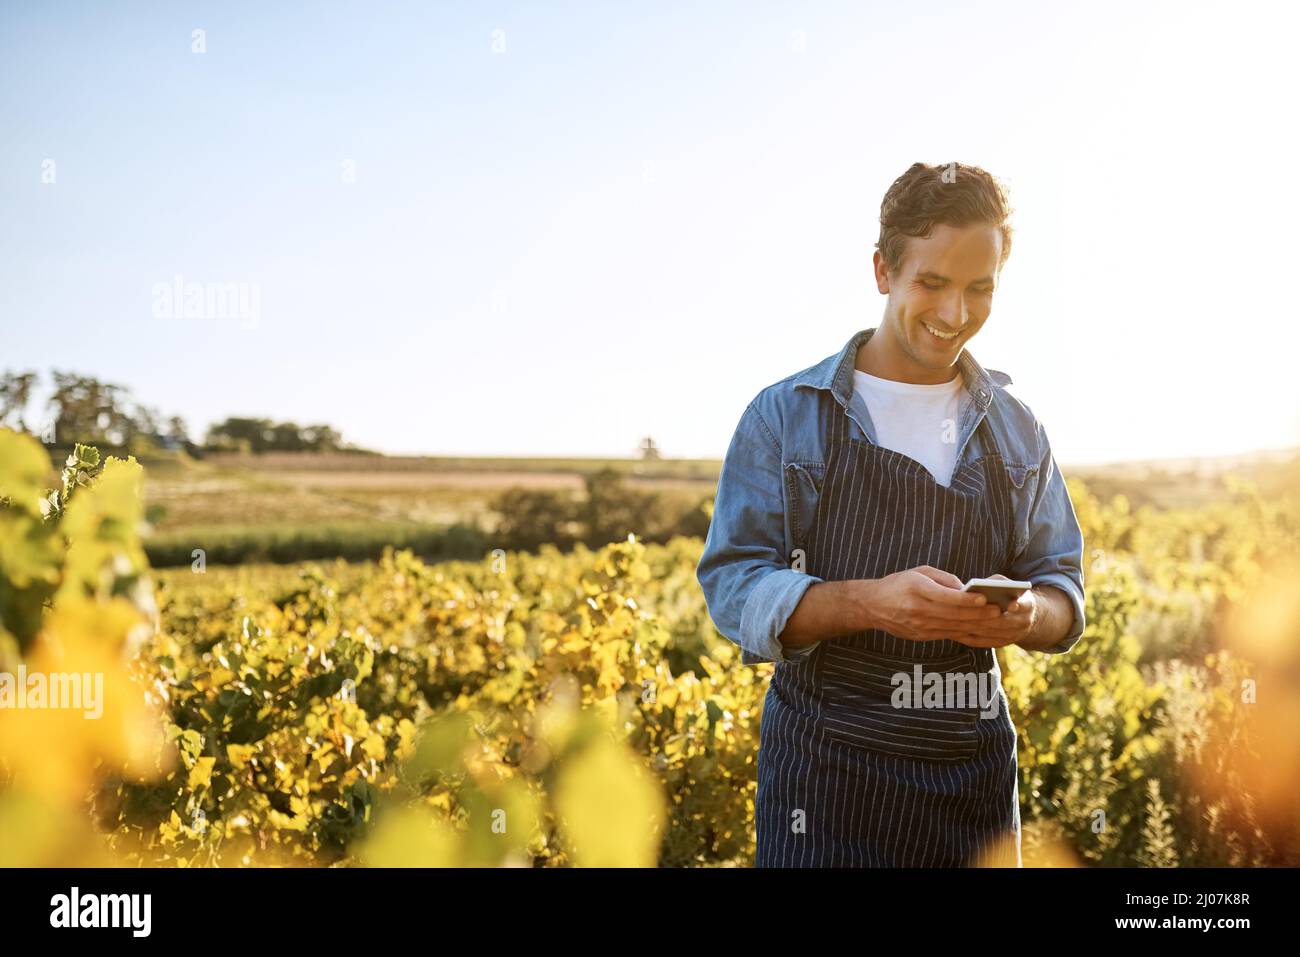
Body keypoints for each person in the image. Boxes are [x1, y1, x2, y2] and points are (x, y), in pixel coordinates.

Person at [695, 161, 1086, 867]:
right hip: (824, 781)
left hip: (970, 781)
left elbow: (1062, 585)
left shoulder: (1017, 430)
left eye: (979, 288)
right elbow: (732, 585)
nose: (954, 314)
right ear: (882, 270)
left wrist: (1029, 613)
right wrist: (870, 603)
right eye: (931, 283)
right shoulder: (787, 417)